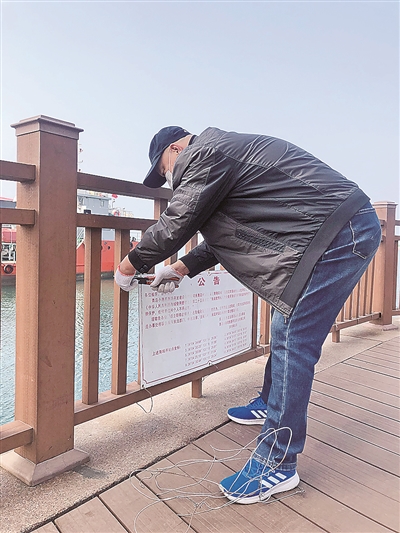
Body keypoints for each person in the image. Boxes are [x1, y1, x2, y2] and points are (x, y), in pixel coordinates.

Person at [115, 126, 381, 504]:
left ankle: (278, 462)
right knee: (287, 328)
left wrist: (128, 265)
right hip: (339, 229)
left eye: (164, 169)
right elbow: (227, 236)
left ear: (176, 148)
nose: (169, 179)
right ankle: (271, 404)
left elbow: (177, 222)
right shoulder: (223, 155)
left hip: (339, 233)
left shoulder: (205, 153)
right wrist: (179, 269)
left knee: (293, 337)